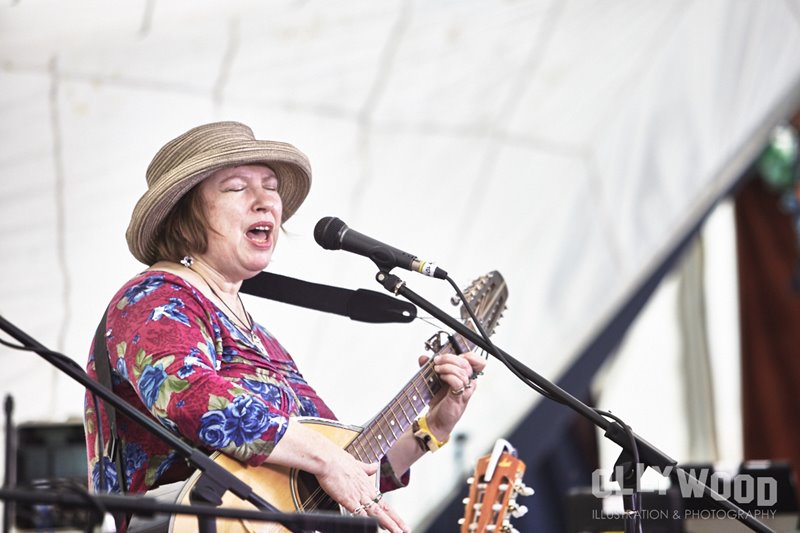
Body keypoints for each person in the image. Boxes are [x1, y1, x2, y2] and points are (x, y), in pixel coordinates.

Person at [83, 121, 486, 533]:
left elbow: (345, 466)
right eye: (236, 188)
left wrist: (431, 429)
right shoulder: (154, 297)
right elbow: (191, 397)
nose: (265, 202)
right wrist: (326, 459)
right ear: (184, 217)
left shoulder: (262, 340)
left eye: (271, 187)